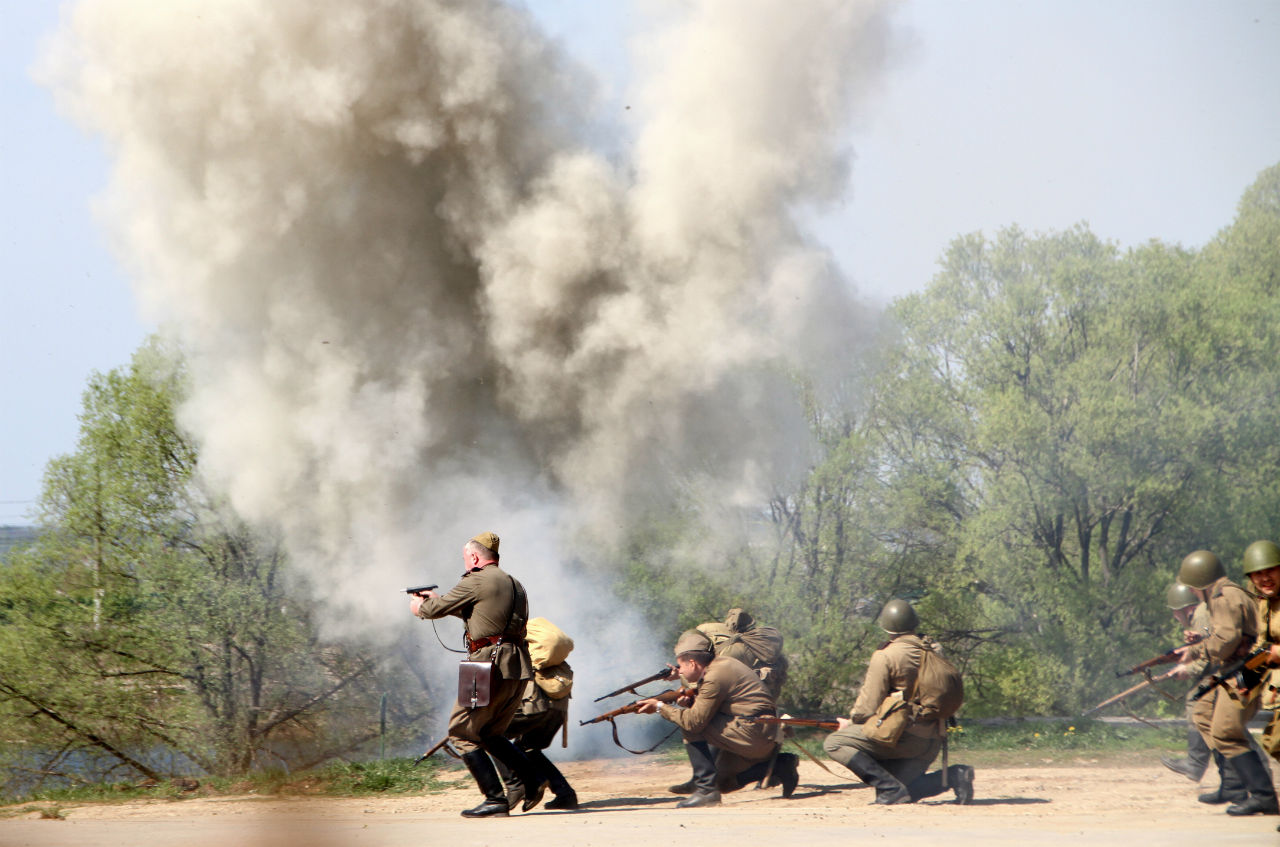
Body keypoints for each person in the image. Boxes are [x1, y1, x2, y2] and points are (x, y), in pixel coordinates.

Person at [409, 531, 548, 818]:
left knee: (460, 731)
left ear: (474, 557)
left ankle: (495, 799)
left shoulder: (475, 580)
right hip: (516, 665)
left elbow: (435, 610)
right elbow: (483, 616)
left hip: (485, 664)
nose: (465, 563)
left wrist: (421, 606)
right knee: (490, 732)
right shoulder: (514, 584)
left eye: (465, 558)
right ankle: (532, 780)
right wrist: (440, 602)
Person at [822, 599, 974, 805]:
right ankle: (956, 775)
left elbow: (865, 709)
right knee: (907, 789)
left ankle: (889, 789)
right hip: (933, 740)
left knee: (834, 743)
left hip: (903, 739)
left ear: (887, 627)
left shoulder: (886, 655)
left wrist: (851, 723)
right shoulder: (934, 649)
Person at [635, 630, 799, 808]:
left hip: (753, 734)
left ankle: (705, 791)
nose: (679, 671)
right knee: (723, 784)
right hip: (759, 734)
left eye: (681, 667)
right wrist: (687, 696)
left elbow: (694, 722)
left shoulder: (715, 676)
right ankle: (781, 766)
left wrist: (659, 707)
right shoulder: (721, 665)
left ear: (692, 662)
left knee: (689, 724)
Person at [1175, 549, 1276, 817]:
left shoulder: (1222, 597)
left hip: (1248, 669)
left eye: (1194, 590)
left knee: (1226, 729)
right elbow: (1223, 631)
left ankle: (1263, 795)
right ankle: (1232, 784)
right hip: (1236, 667)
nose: (1194, 595)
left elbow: (1227, 640)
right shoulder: (1227, 594)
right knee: (1202, 712)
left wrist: (1196, 650)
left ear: (1200, 583)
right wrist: (1201, 637)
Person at [1241, 540, 1280, 830]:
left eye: (1271, 571)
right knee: (1272, 742)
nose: (1265, 578)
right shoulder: (1262, 604)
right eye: (1258, 574)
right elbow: (1261, 649)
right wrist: (1245, 680)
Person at [1161, 582, 1212, 781]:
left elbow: (1211, 654)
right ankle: (1198, 764)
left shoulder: (1201, 615)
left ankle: (1196, 764)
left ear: (1185, 608)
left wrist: (1188, 668)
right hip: (1217, 672)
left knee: (1204, 710)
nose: (1175, 617)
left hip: (1221, 673)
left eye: (1176, 612)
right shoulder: (1203, 613)